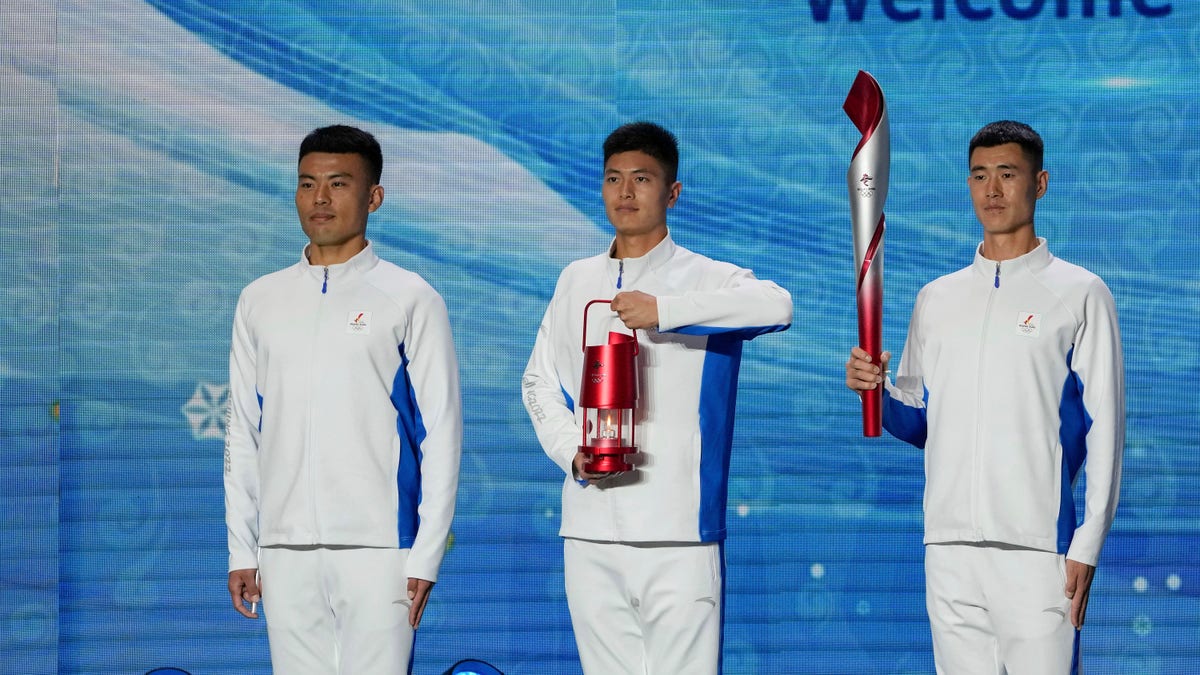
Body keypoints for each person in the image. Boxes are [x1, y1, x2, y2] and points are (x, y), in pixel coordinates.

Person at [846, 120, 1124, 674]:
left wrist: (1087, 542)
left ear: (1039, 183)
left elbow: (1106, 429)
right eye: (979, 175)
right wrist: (874, 389)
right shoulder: (937, 298)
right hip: (948, 549)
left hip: (1037, 549)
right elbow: (921, 422)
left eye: (1007, 174)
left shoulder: (1079, 294)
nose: (992, 190)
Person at [522, 121, 792, 674]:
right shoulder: (575, 280)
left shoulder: (708, 277)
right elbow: (539, 381)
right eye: (613, 179)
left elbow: (777, 306)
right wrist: (573, 451)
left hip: (679, 531)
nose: (625, 193)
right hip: (589, 525)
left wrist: (665, 312)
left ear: (672, 192)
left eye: (641, 179)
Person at [224, 124, 462, 673]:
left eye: (337, 183)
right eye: (307, 185)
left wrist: (425, 552)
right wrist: (244, 548)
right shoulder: (260, 300)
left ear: (374, 196)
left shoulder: (410, 298)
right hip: (284, 553)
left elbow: (442, 434)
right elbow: (243, 429)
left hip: (382, 550)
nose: (320, 199)